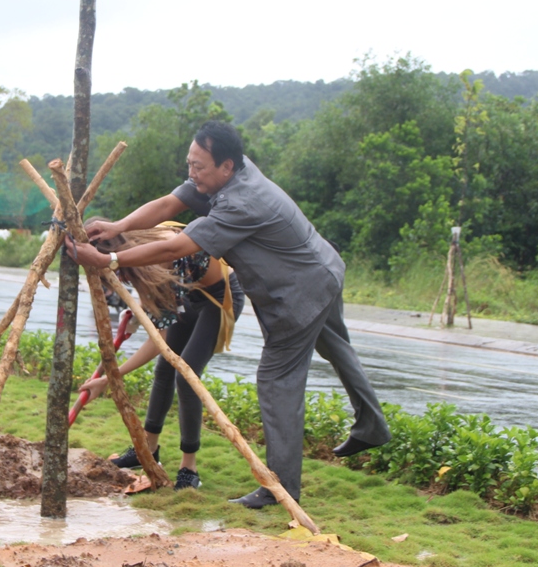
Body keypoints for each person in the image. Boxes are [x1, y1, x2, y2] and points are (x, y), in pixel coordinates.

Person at [67, 121, 390, 509]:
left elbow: (177, 247)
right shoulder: (223, 177)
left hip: (299, 292)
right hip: (323, 270)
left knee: (277, 381)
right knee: (336, 347)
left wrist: (109, 259)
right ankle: (371, 424)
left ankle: (279, 488)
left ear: (227, 167)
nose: (192, 173)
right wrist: (120, 226)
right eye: (190, 163)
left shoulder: (241, 202)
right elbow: (170, 203)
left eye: (199, 167)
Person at [79, 224, 244, 491]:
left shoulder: (160, 252)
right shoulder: (139, 260)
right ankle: (147, 450)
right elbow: (161, 331)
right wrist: (141, 312)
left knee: (186, 373)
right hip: (190, 293)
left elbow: (160, 340)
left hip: (219, 297)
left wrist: (110, 378)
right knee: (164, 370)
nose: (120, 279)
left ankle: (188, 467)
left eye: (116, 272)